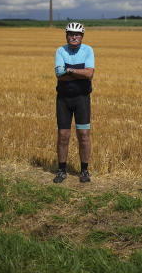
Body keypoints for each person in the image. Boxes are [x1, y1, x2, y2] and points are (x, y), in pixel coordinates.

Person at [53, 21, 94, 183]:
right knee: (63, 135)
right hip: (63, 99)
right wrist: (79, 72)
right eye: (70, 34)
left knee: (83, 136)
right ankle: (61, 170)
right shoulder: (60, 50)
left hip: (82, 99)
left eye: (77, 34)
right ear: (66, 35)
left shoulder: (88, 50)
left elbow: (89, 74)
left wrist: (69, 70)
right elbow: (58, 75)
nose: (74, 37)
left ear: (82, 36)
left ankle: (84, 170)